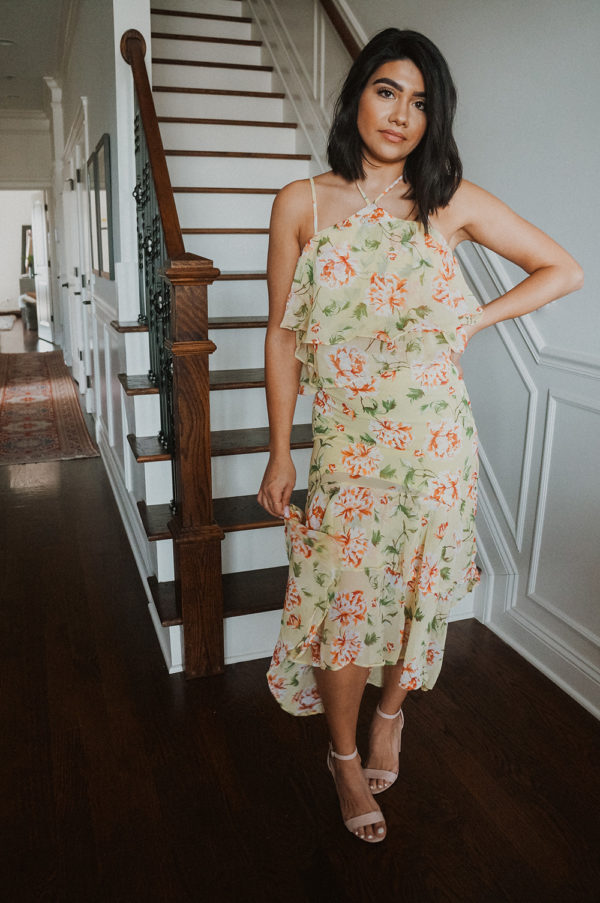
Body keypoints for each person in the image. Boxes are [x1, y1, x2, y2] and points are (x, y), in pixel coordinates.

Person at [257, 28, 583, 844]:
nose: (402, 114)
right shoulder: (300, 202)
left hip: (437, 449)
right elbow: (281, 335)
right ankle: (340, 756)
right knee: (340, 606)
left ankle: (391, 714)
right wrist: (278, 447)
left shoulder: (450, 200)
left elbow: (563, 269)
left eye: (422, 102)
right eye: (388, 91)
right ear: (356, 94)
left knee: (418, 597)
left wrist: (476, 316)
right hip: (345, 450)